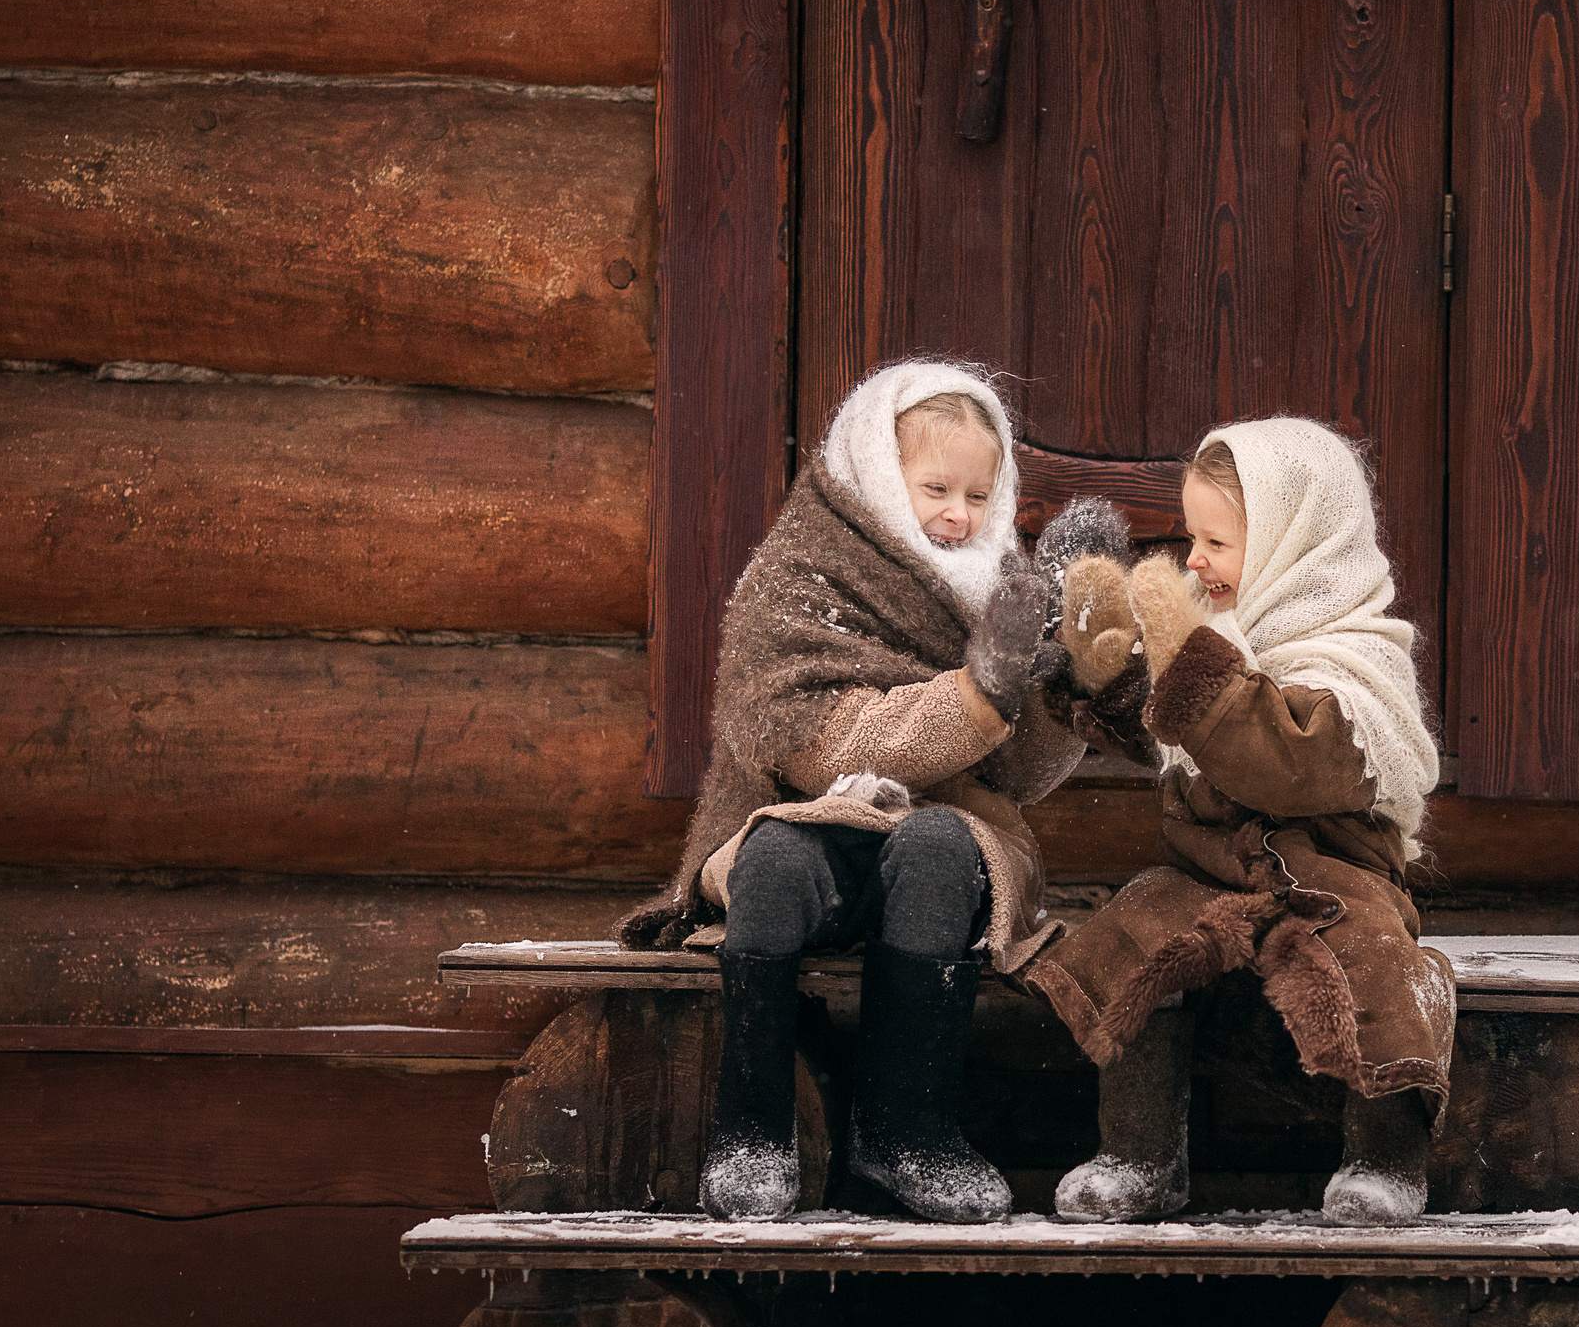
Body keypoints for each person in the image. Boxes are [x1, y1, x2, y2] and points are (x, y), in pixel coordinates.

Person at [613, 358, 1110, 1223]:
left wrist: (1060, 668)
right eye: (935, 487)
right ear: (879, 477)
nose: (960, 515)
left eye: (979, 495)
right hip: (820, 813)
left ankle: (904, 1128)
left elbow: (1019, 773)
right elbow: (821, 739)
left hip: (945, 827)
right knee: (771, 858)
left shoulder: (999, 584)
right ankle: (752, 1131)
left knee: (937, 850)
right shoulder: (802, 574)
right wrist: (978, 687)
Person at [1025, 419, 1452, 1226]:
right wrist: (1103, 673)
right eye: (1191, 536)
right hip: (1210, 871)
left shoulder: (1357, 657)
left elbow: (1286, 763)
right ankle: (1139, 1153)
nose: (1192, 560)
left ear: (1299, 544)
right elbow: (1157, 730)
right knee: (1138, 924)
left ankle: (1385, 1158)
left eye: (1217, 540)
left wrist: (1192, 665)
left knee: (1384, 965)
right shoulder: (1212, 633)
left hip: (1332, 876)